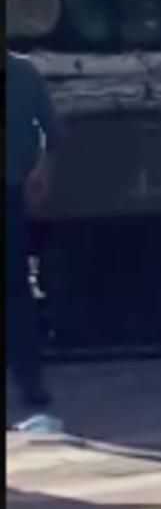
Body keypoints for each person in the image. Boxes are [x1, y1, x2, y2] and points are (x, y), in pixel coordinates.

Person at [6, 49, 63, 434]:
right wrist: (42, 170)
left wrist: (41, 170)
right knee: (15, 291)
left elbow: (51, 134)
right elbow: (52, 135)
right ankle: (31, 384)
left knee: (15, 290)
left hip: (10, 190)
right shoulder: (22, 72)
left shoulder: (23, 73)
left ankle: (30, 382)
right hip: (10, 191)